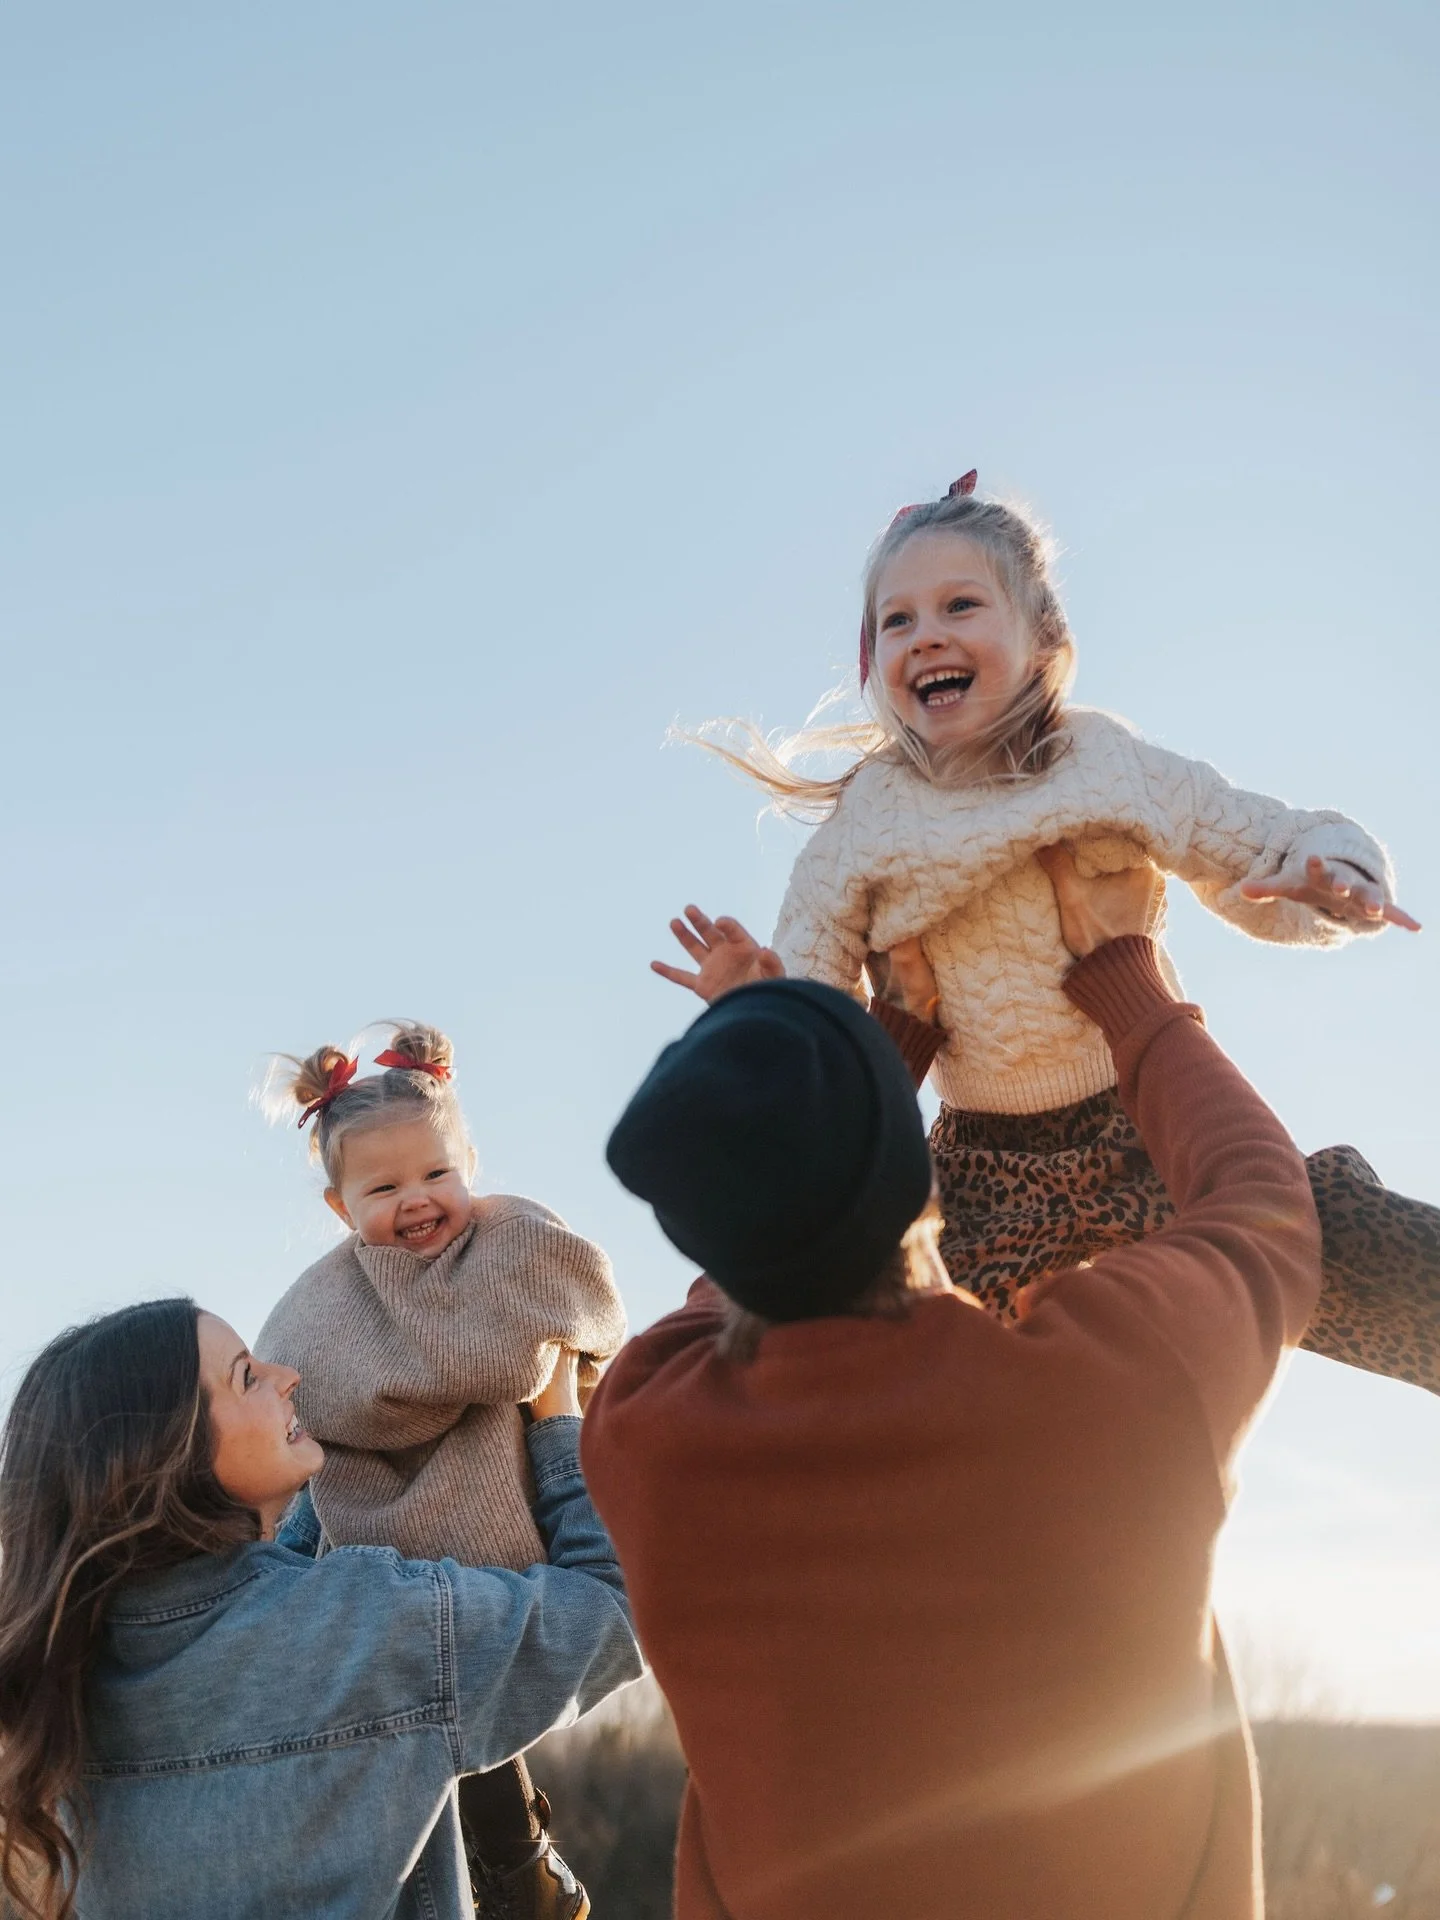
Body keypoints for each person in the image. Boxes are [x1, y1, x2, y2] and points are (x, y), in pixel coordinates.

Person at [583, 852, 1320, 1919]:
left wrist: (820, 1058)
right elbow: (1264, 1206)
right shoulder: (1110, 1389)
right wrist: (1130, 981)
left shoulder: (643, 1432)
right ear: (920, 1169)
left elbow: (746, 1244)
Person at [693, 470, 1440, 1392]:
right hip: (979, 1167)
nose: (926, 633)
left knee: (1353, 1245)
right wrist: (752, 1007)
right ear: (874, 665)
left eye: (960, 605)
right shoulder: (862, 830)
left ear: (1042, 640)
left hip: (1147, 1118)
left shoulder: (1106, 765)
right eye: (897, 621)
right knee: (873, 1366)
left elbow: (1257, 837)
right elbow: (815, 1029)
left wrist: (1331, 876)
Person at [0, 1299, 640, 1920]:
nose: (288, 1377)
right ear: (167, 1449)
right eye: (247, 1376)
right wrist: (559, 1421)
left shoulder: (54, 1686)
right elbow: (612, 1608)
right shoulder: (372, 1625)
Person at [254, 1019, 628, 1914]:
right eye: (383, 1187)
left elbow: (583, 1314)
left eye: (437, 1174)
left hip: (512, 1487)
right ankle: (503, 1862)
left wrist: (554, 1383)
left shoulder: (514, 1244)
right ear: (343, 1209)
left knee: (464, 1681)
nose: (417, 1200)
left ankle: (511, 1857)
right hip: (372, 1520)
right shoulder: (327, 1308)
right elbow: (307, 1394)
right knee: (408, 1682)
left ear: (470, 1166)